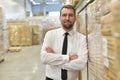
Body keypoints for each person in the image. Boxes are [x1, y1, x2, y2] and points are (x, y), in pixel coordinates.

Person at [41, 5, 88, 80]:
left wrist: (54, 59)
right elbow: (44, 58)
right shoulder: (50, 35)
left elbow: (81, 64)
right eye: (64, 15)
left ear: (75, 18)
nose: (67, 18)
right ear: (60, 18)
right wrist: (68, 58)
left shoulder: (81, 39)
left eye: (70, 15)